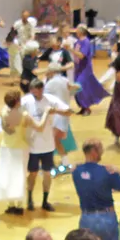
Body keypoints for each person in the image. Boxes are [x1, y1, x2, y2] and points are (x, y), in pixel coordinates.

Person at [0, 90, 50, 214]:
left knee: (7, 174)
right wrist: (46, 113)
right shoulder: (24, 115)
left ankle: (10, 204)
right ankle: (19, 205)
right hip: (19, 149)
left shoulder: (4, 111)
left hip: (5, 147)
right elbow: (39, 127)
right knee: (19, 176)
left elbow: (8, 128)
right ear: (17, 102)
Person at [22, 78, 72, 211]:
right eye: (34, 91)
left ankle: (45, 201)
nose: (36, 93)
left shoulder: (50, 99)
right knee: (32, 174)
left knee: (47, 174)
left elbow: (69, 111)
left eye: (38, 91)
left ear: (42, 89)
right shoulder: (26, 101)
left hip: (47, 145)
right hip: (32, 145)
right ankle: (30, 199)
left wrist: (55, 111)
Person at [43, 62, 80, 174]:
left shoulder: (50, 83)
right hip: (64, 113)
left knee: (54, 139)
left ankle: (63, 163)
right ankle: (62, 162)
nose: (47, 72)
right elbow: (74, 89)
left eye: (48, 71)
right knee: (55, 139)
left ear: (52, 71)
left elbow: (44, 99)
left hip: (56, 115)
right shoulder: (65, 80)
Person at [73, 25, 109, 116]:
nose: (75, 31)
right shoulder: (77, 42)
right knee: (77, 88)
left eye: (77, 30)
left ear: (81, 31)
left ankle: (87, 108)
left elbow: (81, 55)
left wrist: (70, 49)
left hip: (85, 69)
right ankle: (82, 106)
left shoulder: (86, 42)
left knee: (80, 86)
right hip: (78, 68)